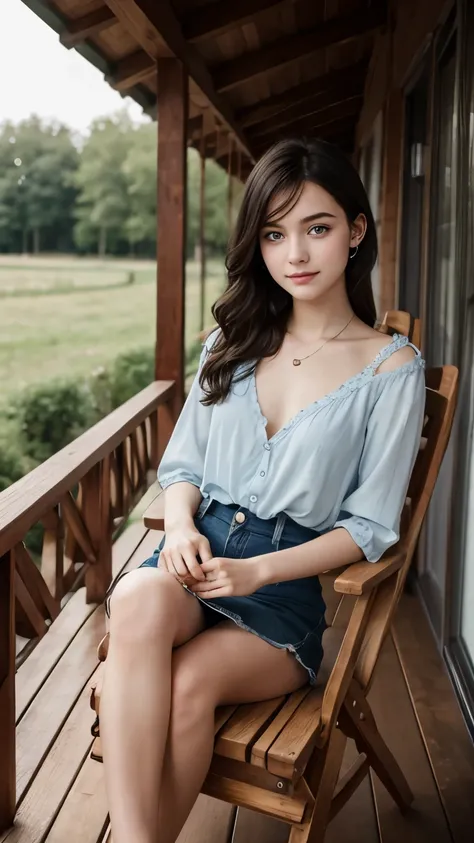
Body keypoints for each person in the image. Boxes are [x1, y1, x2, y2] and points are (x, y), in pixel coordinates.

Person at [99, 137, 426, 843]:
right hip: (196, 553)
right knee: (134, 601)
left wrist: (258, 569)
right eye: (275, 234)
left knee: (187, 685)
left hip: (281, 585)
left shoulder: (390, 368)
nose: (296, 254)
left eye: (318, 227)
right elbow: (182, 464)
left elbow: (370, 526)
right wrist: (182, 527)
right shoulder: (233, 341)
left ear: (356, 231)